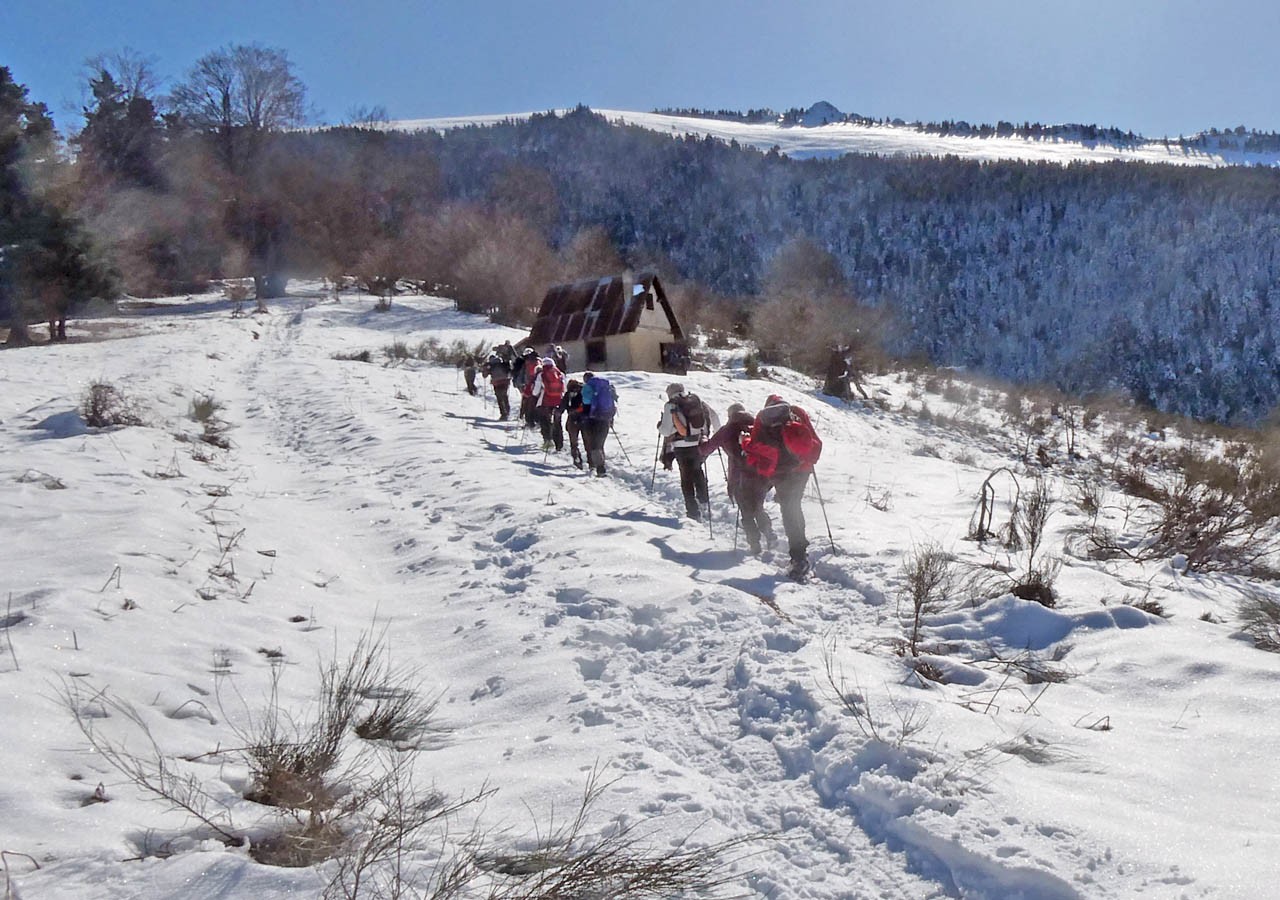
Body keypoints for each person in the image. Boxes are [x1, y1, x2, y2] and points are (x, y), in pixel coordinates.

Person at [742, 394, 823, 580]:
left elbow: (755, 446)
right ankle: (800, 551)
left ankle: (799, 557)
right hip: (802, 469)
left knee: (789, 509)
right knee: (794, 505)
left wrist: (744, 441)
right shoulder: (797, 412)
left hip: (780, 472)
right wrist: (809, 460)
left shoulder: (762, 419)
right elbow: (815, 442)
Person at [700, 402, 776, 556]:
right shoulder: (758, 427)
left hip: (739, 477)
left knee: (746, 511)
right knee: (758, 506)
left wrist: (703, 438)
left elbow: (706, 449)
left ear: (730, 416)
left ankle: (754, 544)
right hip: (762, 474)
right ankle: (769, 534)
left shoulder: (726, 430)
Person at [657, 383, 719, 521]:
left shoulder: (671, 405)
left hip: (681, 446)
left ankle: (692, 511)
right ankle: (704, 503)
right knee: (698, 471)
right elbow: (710, 418)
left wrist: (659, 426)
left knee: (686, 478)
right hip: (697, 443)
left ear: (669, 393)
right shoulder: (695, 400)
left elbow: (666, 430)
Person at [580, 371, 617, 476]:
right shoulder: (606, 386)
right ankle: (601, 463)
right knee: (600, 444)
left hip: (593, 420)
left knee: (594, 445)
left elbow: (586, 402)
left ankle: (600, 468)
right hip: (605, 419)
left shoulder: (587, 387)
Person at [532, 357, 565, 451]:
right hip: (558, 401)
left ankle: (548, 441)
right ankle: (559, 445)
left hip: (545, 401)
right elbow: (564, 389)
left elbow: (535, 392)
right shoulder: (560, 374)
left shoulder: (541, 375)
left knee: (545, 421)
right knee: (557, 423)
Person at [561, 377, 587, 468]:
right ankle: (592, 463)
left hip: (573, 419)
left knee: (574, 442)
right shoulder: (585, 391)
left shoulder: (568, 394)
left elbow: (562, 406)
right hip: (585, 420)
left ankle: (577, 459)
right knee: (587, 442)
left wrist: (558, 412)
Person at [484, 346, 513, 420]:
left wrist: (485, 368)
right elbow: (509, 370)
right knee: (505, 396)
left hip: (496, 382)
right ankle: (508, 411)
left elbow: (485, 375)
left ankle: (503, 414)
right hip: (505, 381)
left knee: (499, 398)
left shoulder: (491, 365)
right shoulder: (502, 363)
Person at [514, 347, 540, 427]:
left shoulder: (526, 362)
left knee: (527, 404)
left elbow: (522, 374)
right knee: (536, 404)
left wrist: (519, 383)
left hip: (528, 385)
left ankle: (529, 421)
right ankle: (537, 421)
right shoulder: (539, 360)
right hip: (539, 386)